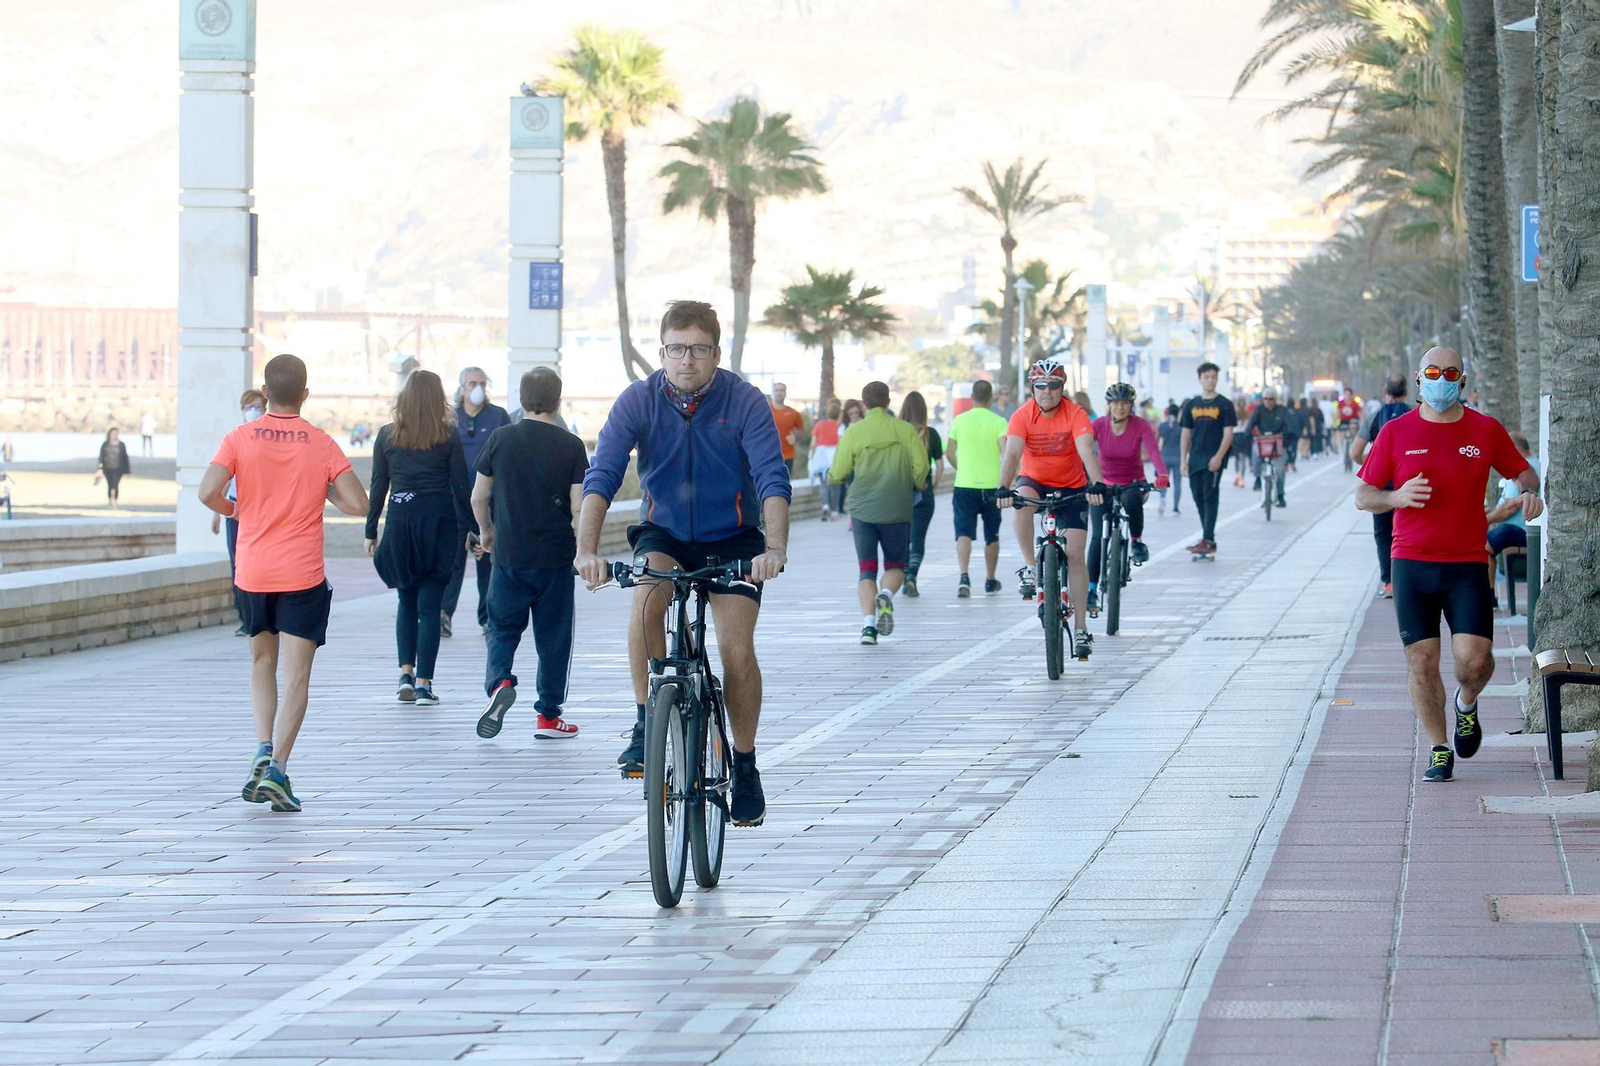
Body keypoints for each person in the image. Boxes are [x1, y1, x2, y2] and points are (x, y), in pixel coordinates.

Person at [575, 300, 789, 827]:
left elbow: (770, 476)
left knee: (736, 649)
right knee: (645, 604)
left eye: (697, 349)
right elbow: (602, 476)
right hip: (664, 531)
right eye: (676, 348)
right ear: (663, 351)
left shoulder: (744, 401)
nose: (686, 359)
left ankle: (744, 764)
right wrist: (585, 551)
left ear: (716, 353)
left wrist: (774, 549)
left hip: (734, 537)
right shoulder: (638, 401)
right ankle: (646, 724)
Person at [1355, 347, 1540, 783]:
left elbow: (1523, 472)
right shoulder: (1396, 432)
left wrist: (1530, 490)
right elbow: (1364, 495)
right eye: (1433, 372)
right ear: (1419, 380)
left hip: (1467, 563)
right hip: (1412, 563)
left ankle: (1467, 704)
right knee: (1421, 661)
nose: (1441, 379)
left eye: (1450, 372)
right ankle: (1440, 749)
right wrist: (1396, 497)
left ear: (1462, 379)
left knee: (1474, 661)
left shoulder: (1485, 429)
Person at [198, 353, 368, 813]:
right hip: (301, 573)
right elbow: (359, 504)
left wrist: (239, 511)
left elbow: (207, 491)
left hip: (253, 570)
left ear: (266, 393)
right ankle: (278, 768)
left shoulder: (239, 437)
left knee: (260, 663)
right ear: (306, 394)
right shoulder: (320, 443)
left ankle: (259, 745)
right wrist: (323, 489)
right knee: (297, 676)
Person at [472, 368, 589, 741]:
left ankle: (499, 683)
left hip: (508, 557)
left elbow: (478, 496)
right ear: (558, 399)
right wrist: (582, 547)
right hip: (554, 559)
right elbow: (578, 508)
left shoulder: (500, 438)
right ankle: (549, 716)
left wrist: (487, 532)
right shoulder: (571, 446)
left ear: (522, 400)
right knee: (553, 638)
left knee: (502, 629)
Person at [364, 371, 474, 708]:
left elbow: (379, 487)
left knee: (406, 602)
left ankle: (405, 676)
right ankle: (425, 684)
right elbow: (459, 487)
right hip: (440, 524)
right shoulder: (448, 436)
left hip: (400, 524)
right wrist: (474, 529)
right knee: (430, 608)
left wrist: (371, 530)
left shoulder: (387, 436)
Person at [999, 357, 1107, 661]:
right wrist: (1002, 487)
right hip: (1035, 481)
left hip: (1072, 486)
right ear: (1033, 387)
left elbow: (1087, 451)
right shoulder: (1022, 416)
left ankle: (1082, 628)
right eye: (1041, 385)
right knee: (1020, 498)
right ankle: (1031, 567)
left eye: (1054, 385)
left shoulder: (1076, 413)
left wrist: (1096, 484)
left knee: (1075, 555)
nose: (1047, 391)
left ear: (1063, 388)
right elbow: (1011, 455)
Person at [828, 381, 928, 643]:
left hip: (862, 510)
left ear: (864, 404)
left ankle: (869, 627)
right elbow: (921, 467)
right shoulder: (904, 430)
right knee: (896, 565)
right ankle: (886, 594)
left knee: (866, 570)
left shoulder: (854, 432)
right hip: (897, 507)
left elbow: (838, 472)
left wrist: (831, 480)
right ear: (888, 402)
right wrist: (916, 485)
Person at [441, 367, 511, 638]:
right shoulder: (449, 418)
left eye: (482, 383)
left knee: (488, 561)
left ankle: (488, 617)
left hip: (490, 502)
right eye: (472, 383)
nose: (478, 388)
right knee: (453, 561)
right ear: (461, 388)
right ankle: (443, 615)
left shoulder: (498, 417)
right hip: (454, 502)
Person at [1087, 382, 1169, 612]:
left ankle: (1137, 541)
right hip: (1104, 483)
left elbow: (1153, 450)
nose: (1120, 408)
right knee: (1096, 537)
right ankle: (1091, 590)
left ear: (1131, 406)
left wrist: (1161, 473)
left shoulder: (1140, 425)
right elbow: (1082, 447)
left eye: (1124, 403)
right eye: (1115, 403)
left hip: (1132, 482)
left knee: (1133, 499)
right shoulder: (1099, 425)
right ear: (1109, 405)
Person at [1349, 375, 1413, 598]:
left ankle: (1389, 583)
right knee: (1411, 532)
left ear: (1385, 391)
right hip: (1412, 484)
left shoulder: (1375, 417)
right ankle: (1411, 580)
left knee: (1383, 535)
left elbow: (1354, 452)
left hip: (1383, 488)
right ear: (1406, 391)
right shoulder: (1417, 413)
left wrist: (1373, 465)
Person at [945, 379, 1009, 597]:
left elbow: (949, 452)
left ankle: (964, 576)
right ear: (991, 398)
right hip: (992, 487)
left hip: (964, 484)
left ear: (972, 397)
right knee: (992, 534)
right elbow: (1006, 451)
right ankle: (990, 580)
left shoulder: (959, 421)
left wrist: (960, 467)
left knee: (963, 532)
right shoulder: (999, 422)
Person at [211, 389, 266, 634]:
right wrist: (218, 512)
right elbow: (221, 478)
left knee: (259, 564)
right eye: (247, 406)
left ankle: (260, 617)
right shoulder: (236, 439)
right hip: (235, 509)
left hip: (260, 510)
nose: (252, 410)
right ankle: (246, 618)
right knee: (237, 564)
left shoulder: (267, 440)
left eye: (256, 406)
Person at [1179, 363, 1237, 556]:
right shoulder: (1192, 405)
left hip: (1214, 458)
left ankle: (1209, 538)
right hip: (1195, 457)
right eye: (1206, 377)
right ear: (1200, 379)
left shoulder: (1225, 404)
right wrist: (1183, 460)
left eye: (1213, 377)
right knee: (1197, 495)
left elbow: (1228, 434)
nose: (1210, 380)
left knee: (1210, 496)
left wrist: (1219, 457)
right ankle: (1206, 535)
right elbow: (1186, 434)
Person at [898, 390, 944, 598]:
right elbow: (940, 465)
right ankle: (912, 577)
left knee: (903, 537)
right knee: (918, 538)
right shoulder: (931, 434)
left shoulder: (897, 432)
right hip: (924, 494)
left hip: (900, 494)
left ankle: (905, 572)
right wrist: (933, 486)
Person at [1485, 430, 1541, 600]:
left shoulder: (1524, 471)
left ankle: (1488, 597)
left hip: (1521, 529)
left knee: (1481, 546)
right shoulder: (1536, 463)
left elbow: (1510, 508)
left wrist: (1484, 519)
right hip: (1517, 528)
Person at [1241, 387, 1292, 509]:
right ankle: (1257, 478)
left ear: (1275, 399)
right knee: (1255, 451)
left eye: (1271, 399)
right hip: (1262, 442)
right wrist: (1247, 433)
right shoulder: (1259, 410)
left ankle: (1280, 495)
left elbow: (1289, 426)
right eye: (1266, 399)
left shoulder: (1282, 410)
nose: (1268, 401)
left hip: (1278, 443)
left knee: (1280, 470)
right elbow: (1251, 424)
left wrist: (1286, 436)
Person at [809, 399, 843, 520]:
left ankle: (825, 505)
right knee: (835, 484)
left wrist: (811, 457)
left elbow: (813, 443)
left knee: (823, 484)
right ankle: (834, 510)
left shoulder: (820, 424)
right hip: (834, 455)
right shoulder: (839, 426)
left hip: (821, 455)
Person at [836, 399, 866, 515]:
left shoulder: (865, 424)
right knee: (853, 489)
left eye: (856, 413)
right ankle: (854, 514)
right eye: (851, 414)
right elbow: (840, 446)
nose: (854, 416)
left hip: (864, 462)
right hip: (850, 463)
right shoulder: (844, 427)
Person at [770, 382, 805, 476]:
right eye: (777, 390)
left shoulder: (793, 413)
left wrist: (796, 437)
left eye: (782, 390)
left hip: (787, 455)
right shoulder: (766, 411)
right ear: (773, 393)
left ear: (785, 393)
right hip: (768, 455)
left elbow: (802, 430)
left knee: (784, 485)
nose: (779, 392)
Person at [1157, 403, 1183, 515]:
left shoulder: (1162, 426)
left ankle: (1162, 498)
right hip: (1178, 456)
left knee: (1163, 481)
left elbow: (1156, 442)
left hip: (1164, 456)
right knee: (1177, 483)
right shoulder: (1181, 427)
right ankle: (1175, 508)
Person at [96, 428, 130, 507]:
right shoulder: (105, 444)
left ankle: (115, 500)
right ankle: (109, 500)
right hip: (107, 468)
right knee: (110, 484)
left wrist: (127, 471)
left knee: (116, 484)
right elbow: (101, 457)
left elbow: (125, 458)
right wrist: (100, 468)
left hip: (118, 468)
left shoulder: (121, 445)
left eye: (116, 433)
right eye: (113, 433)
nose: (114, 435)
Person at [1336, 389, 1363, 455]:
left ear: (1351, 395)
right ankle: (1341, 448)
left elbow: (1361, 413)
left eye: (1348, 394)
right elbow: (1337, 413)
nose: (1347, 396)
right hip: (1344, 421)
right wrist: (1335, 423)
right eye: (1346, 394)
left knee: (1353, 427)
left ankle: (1354, 443)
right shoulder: (1341, 404)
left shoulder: (1355, 404)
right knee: (1342, 432)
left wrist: (1363, 422)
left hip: (1353, 420)